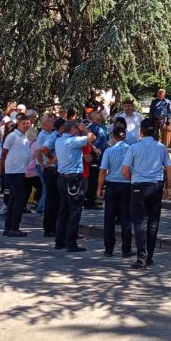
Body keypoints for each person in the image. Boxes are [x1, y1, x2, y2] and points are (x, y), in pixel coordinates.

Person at [123, 117, 171, 269]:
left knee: (140, 223)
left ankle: (141, 258)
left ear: (141, 131)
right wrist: (168, 187)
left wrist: (134, 180)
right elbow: (169, 169)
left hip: (139, 186)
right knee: (153, 222)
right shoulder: (161, 147)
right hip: (155, 186)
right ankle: (149, 257)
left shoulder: (134, 147)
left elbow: (125, 170)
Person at [54, 121, 94, 252]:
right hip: (73, 178)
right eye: (76, 129)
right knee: (74, 210)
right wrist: (85, 129)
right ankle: (71, 242)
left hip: (62, 177)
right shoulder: (73, 140)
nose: (78, 131)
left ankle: (60, 240)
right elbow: (92, 137)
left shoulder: (59, 140)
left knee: (63, 209)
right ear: (72, 129)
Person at [98, 125, 133, 257]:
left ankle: (108, 249)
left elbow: (103, 171)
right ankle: (126, 249)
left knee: (109, 218)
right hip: (126, 185)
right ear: (125, 137)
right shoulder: (131, 150)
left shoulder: (109, 151)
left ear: (114, 138)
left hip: (112, 186)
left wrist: (99, 188)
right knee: (126, 218)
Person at [0, 110, 32, 237]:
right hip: (13, 171)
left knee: (13, 199)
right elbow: (4, 152)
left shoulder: (25, 136)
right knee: (19, 199)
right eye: (24, 123)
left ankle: (8, 228)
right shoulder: (12, 136)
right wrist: (2, 166)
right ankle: (14, 228)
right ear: (18, 123)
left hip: (21, 171)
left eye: (28, 123)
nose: (26, 125)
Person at [38, 115, 62, 237]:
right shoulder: (54, 136)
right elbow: (42, 149)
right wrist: (51, 159)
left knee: (55, 200)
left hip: (55, 170)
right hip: (52, 170)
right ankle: (49, 228)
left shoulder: (56, 136)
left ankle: (54, 226)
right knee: (51, 200)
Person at [84, 106, 108, 209]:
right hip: (94, 155)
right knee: (93, 178)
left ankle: (93, 198)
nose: (101, 115)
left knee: (98, 177)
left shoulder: (103, 127)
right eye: (98, 113)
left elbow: (105, 139)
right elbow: (87, 140)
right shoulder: (92, 127)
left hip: (102, 155)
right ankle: (89, 201)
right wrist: (94, 149)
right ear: (93, 117)